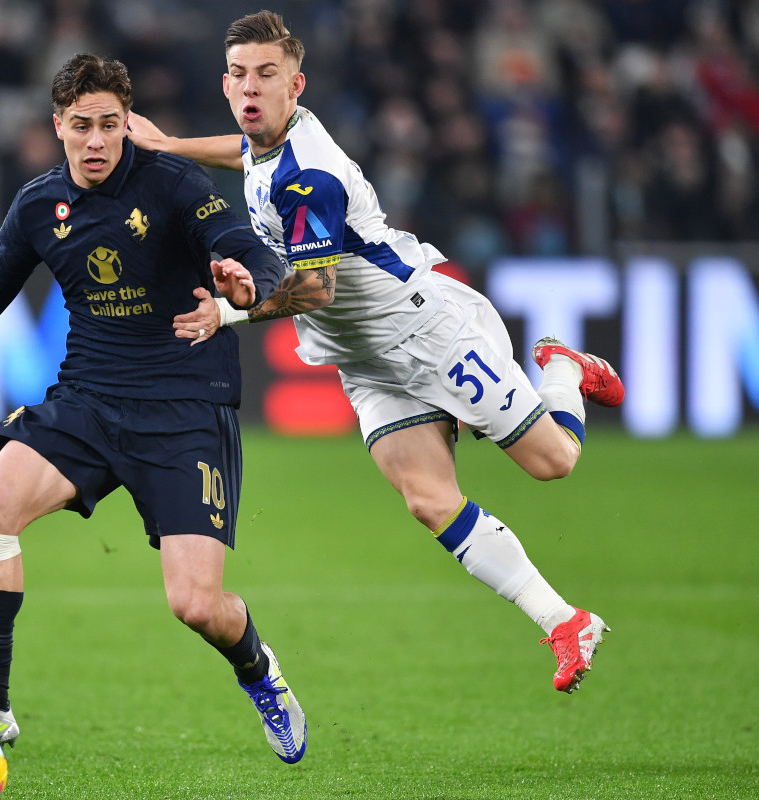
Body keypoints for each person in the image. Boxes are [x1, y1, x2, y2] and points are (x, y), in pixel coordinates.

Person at [0, 53, 308, 763]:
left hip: (183, 408)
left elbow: (244, 248)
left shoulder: (173, 183)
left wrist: (244, 284)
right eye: (82, 126)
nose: (97, 141)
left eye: (110, 125)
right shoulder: (37, 205)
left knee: (196, 606)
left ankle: (259, 672)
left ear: (126, 124)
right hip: (89, 400)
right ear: (58, 127)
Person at [127, 11, 621, 694]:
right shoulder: (268, 142)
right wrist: (167, 145)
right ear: (225, 82)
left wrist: (233, 309)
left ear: (294, 86)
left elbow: (318, 289)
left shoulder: (309, 176)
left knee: (554, 462)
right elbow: (241, 154)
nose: (250, 88)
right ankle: (566, 621)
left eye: (266, 75)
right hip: (364, 359)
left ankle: (566, 367)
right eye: (239, 75)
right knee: (428, 500)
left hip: (427, 334)